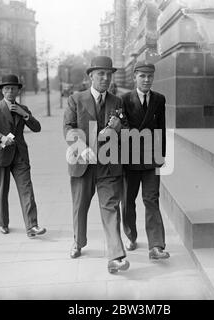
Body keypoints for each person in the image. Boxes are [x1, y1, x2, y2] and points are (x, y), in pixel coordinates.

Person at [63, 56, 130, 274]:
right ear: (91, 76)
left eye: (108, 74)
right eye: (100, 73)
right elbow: (68, 128)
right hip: (83, 163)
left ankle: (116, 256)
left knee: (111, 208)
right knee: (80, 206)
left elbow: (126, 131)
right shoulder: (76, 99)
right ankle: (78, 242)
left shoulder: (117, 101)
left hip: (108, 166)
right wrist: (84, 147)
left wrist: (118, 128)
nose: (105, 78)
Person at [0, 74, 46, 238]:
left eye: (13, 88)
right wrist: (1, 138)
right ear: (2, 91)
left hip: (20, 156)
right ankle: (2, 223)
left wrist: (24, 114)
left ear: (18, 90)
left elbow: (37, 127)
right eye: (7, 88)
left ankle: (32, 226)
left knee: (27, 190)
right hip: (1, 155)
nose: (10, 91)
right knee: (2, 191)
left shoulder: (22, 108)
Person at [120, 61, 170, 260]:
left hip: (151, 160)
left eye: (150, 76)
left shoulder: (159, 99)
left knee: (151, 200)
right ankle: (131, 236)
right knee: (128, 202)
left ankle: (156, 246)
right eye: (142, 76)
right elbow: (122, 127)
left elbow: (162, 129)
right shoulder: (124, 99)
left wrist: (162, 155)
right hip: (130, 160)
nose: (147, 80)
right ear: (134, 77)